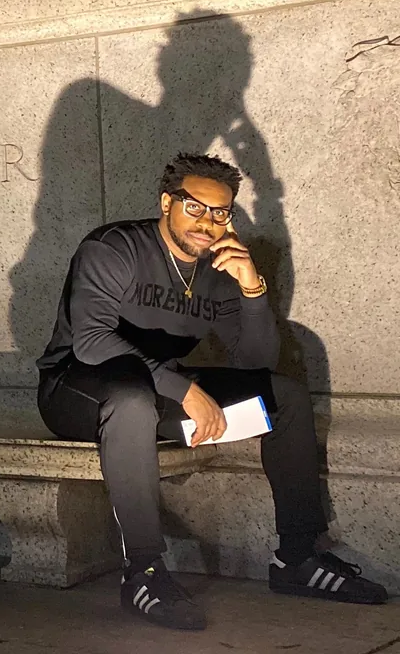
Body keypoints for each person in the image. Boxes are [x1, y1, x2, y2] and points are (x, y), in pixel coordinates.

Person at [36, 152, 388, 631]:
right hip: (76, 387)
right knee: (132, 399)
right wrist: (184, 389)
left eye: (220, 212)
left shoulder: (217, 268)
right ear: (167, 202)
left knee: (282, 395)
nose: (207, 221)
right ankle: (144, 571)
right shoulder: (114, 248)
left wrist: (251, 287)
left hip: (158, 390)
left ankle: (298, 558)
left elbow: (255, 362)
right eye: (194, 207)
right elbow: (93, 340)